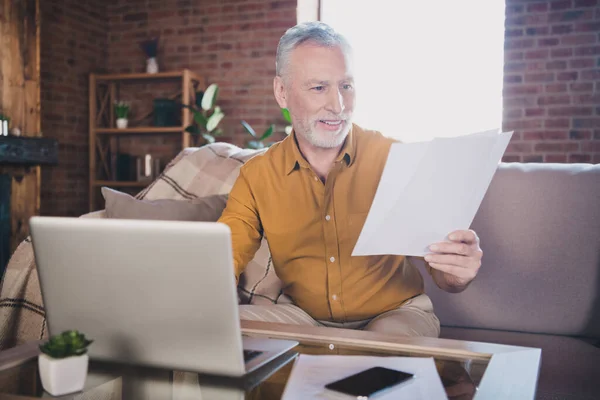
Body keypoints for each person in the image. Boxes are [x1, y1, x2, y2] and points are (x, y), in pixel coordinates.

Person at [217, 22, 483, 337]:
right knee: (223, 331)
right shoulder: (257, 175)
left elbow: (444, 275)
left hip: (395, 314)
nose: (339, 105)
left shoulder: (395, 158)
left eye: (346, 86)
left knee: (380, 362)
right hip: (303, 317)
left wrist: (458, 272)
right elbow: (223, 257)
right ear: (282, 92)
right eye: (319, 87)